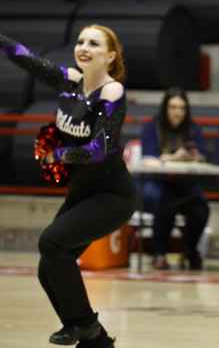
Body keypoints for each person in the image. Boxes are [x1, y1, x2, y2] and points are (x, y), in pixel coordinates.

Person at [0, 25, 138, 348]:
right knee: (47, 269)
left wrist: (59, 155)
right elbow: (27, 59)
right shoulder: (69, 81)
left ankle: (85, 326)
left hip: (112, 195)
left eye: (94, 43)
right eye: (80, 41)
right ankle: (96, 341)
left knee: (51, 243)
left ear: (111, 56)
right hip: (82, 193)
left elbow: (99, 149)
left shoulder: (112, 92)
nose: (84, 47)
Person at [140, 88, 210, 271]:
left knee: (201, 210)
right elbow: (147, 159)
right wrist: (173, 158)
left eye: (182, 108)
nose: (177, 112)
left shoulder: (193, 129)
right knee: (163, 203)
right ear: (165, 108)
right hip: (159, 182)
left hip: (186, 183)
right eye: (173, 107)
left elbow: (203, 156)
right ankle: (159, 253)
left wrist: (194, 157)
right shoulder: (152, 127)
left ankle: (190, 250)